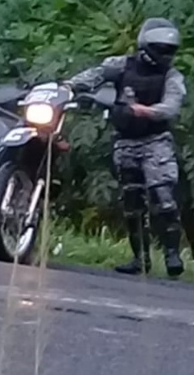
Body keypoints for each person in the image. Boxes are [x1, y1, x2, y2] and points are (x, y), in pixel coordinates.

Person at [65, 17, 186, 278]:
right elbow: (93, 76)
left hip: (156, 142)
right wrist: (68, 87)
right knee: (132, 202)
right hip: (125, 141)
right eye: (161, 48)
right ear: (146, 45)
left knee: (163, 199)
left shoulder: (172, 76)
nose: (166, 54)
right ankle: (139, 259)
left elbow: (172, 107)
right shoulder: (120, 65)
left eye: (170, 50)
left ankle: (172, 255)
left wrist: (146, 111)